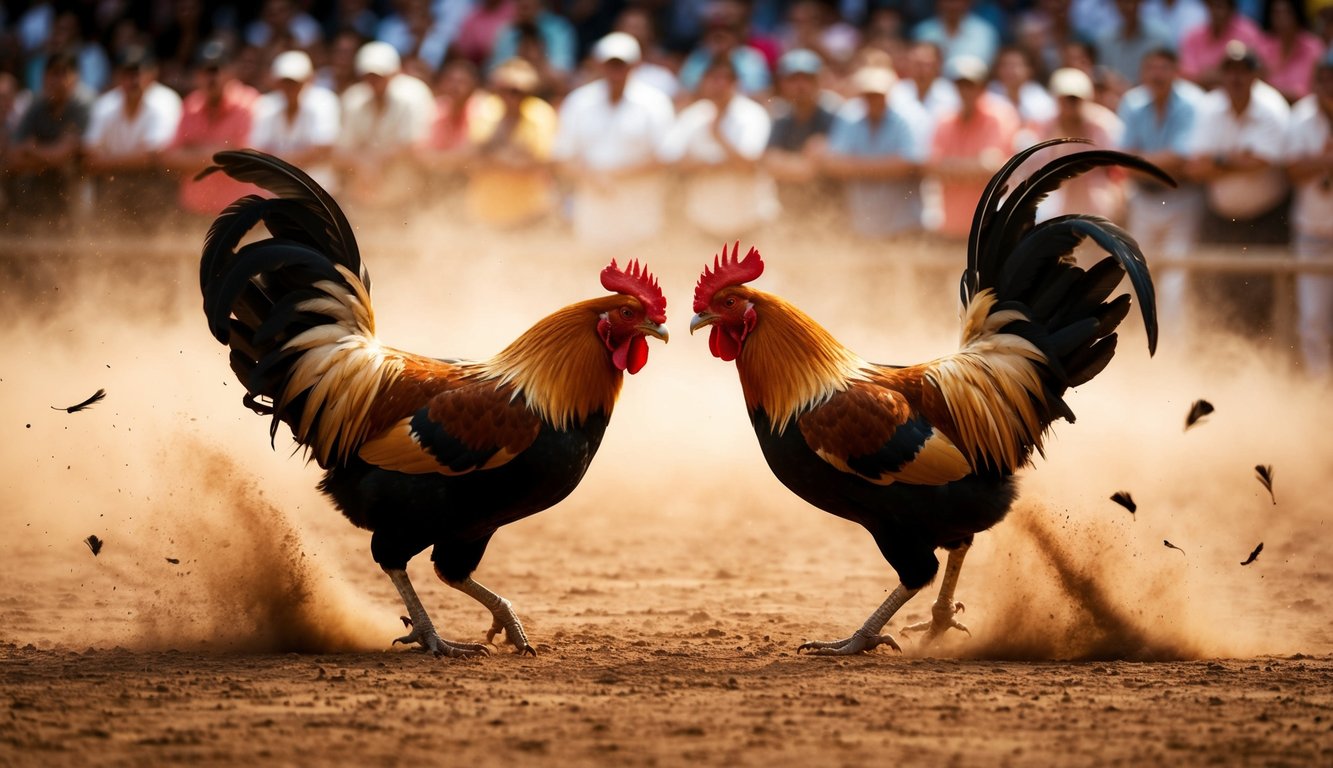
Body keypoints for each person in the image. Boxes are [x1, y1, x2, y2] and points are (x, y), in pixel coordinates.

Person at [1184, 42, 1291, 336]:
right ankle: (1216, 362)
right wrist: (1237, 159)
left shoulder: (1272, 107)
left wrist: (1218, 161)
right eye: (1230, 71)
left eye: (1243, 71)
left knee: (1261, 296)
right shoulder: (1209, 107)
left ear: (1255, 75)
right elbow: (1194, 167)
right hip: (1219, 217)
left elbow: (1264, 162)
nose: (1236, 78)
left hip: (1267, 219)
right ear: (1221, 75)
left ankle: (1265, 363)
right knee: (1214, 290)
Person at [551, 32, 674, 250]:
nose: (616, 72)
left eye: (621, 65)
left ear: (635, 65)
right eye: (611, 64)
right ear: (599, 65)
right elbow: (562, 156)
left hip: (640, 210)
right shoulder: (579, 102)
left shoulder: (655, 103)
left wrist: (614, 175)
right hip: (592, 213)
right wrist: (593, 177)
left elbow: (666, 156)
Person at [1116, 47, 1204, 341]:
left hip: (1182, 198)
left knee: (1175, 285)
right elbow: (1122, 158)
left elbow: (1183, 158)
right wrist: (1162, 162)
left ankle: (1173, 357)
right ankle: (1136, 351)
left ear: (1176, 71)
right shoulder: (1133, 102)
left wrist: (1141, 161)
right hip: (1143, 199)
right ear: (1143, 72)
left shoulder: (1192, 102)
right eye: (1151, 67)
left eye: (1164, 67)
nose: (1157, 74)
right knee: (1138, 278)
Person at [661, 55, 776, 240]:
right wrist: (715, 164)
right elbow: (671, 160)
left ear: (735, 83)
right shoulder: (693, 116)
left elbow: (749, 164)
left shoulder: (753, 115)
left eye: (724, 79)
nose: (718, 85)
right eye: (713, 79)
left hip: (750, 221)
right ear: (703, 82)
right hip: (703, 222)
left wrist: (718, 135)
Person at [160, 41, 261, 222]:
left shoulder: (249, 103)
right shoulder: (191, 105)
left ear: (231, 71)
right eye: (205, 71)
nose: (211, 77)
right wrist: (219, 151)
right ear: (197, 75)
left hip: (240, 215)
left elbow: (245, 157)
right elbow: (170, 157)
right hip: (194, 212)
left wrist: (193, 151)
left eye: (216, 70)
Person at [82, 44, 182, 228]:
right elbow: (89, 158)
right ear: (118, 76)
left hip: (153, 187)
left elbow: (154, 158)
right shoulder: (105, 106)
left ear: (152, 74)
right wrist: (132, 160)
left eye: (138, 73)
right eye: (128, 74)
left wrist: (108, 161)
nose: (133, 80)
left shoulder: (165, 101)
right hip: (113, 186)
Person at [823, 64, 927, 239]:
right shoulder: (850, 118)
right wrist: (882, 167)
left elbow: (909, 165)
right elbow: (834, 164)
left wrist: (856, 167)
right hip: (864, 224)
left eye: (878, 95)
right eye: (869, 95)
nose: (873, 100)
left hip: (903, 225)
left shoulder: (907, 118)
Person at [925, 55, 1021, 239]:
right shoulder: (945, 120)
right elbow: (932, 167)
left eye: (971, 85)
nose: (965, 91)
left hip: (990, 227)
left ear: (983, 86)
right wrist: (974, 167)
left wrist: (951, 168)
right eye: (960, 85)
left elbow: (992, 167)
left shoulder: (1000, 115)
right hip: (952, 225)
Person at [333, 40, 437, 210]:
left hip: (405, 182)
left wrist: (374, 162)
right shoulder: (353, 99)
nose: (373, 81)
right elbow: (342, 149)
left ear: (395, 73)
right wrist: (363, 165)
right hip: (364, 185)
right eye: (369, 75)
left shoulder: (414, 94)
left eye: (379, 75)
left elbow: (414, 145)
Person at [1283, 52, 1333, 377]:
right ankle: (1321, 394)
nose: (1329, 86)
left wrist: (1318, 162)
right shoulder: (1301, 115)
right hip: (1312, 231)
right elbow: (1292, 170)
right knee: (1312, 321)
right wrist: (1324, 162)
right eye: (1324, 78)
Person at [463, 58, 556, 228]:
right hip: (487, 208)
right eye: (504, 90)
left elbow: (540, 162)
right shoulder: (486, 110)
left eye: (517, 91)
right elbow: (473, 157)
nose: (510, 97)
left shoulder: (541, 114)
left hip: (530, 211)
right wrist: (513, 158)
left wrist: (495, 157)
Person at [1025, 67, 1126, 223]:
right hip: (1055, 209)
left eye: (1075, 99)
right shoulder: (1044, 126)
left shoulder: (1105, 125)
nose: (1070, 105)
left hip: (1097, 207)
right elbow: (1030, 170)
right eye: (1065, 99)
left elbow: (1119, 172)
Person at [9, 51, 93, 229]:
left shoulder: (83, 104)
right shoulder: (36, 105)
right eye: (52, 74)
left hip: (76, 183)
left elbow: (62, 156)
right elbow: (13, 156)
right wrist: (48, 156)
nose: (57, 81)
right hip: (40, 182)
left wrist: (32, 150)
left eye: (63, 73)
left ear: (76, 77)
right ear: (44, 77)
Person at [762, 48, 839, 221]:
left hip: (830, 213)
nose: (800, 86)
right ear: (782, 83)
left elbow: (830, 163)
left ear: (819, 81)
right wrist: (805, 164)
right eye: (793, 79)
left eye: (807, 79)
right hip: (789, 213)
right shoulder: (780, 117)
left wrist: (789, 164)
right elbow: (769, 162)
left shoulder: (835, 116)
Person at [249, 50, 340, 191]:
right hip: (276, 192)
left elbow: (324, 149)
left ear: (309, 80)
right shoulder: (266, 105)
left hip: (317, 191)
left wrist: (279, 162)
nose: (289, 87)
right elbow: (257, 150)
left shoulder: (324, 101)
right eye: (285, 82)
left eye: (295, 82)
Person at [1178, 0, 1265, 88]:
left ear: (1231, 9)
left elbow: (1259, 72)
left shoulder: (1248, 33)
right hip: (1199, 94)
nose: (1216, 12)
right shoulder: (1194, 35)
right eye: (1213, 6)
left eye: (1221, 7)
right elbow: (1186, 75)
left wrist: (1214, 76)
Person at [1256, 0, 1326, 103]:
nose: (1281, 18)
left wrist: (1277, 92)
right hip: (1270, 110)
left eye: (1287, 13)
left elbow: (1316, 91)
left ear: (1297, 14)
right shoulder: (1263, 46)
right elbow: (1257, 87)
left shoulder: (1314, 48)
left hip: (1305, 111)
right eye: (1276, 13)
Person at [1095, 0, 1175, 85]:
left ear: (1142, 2)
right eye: (1123, 2)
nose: (1129, 7)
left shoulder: (1161, 38)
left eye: (1133, 2)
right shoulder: (1104, 41)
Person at [912, 0, 1001, 68]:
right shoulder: (923, 32)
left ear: (967, 3)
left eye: (957, 1)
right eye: (948, 1)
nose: (952, 6)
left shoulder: (985, 33)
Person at [989, 45, 1057, 129]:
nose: (1010, 71)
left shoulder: (1040, 98)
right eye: (1005, 65)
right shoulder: (988, 95)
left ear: (1029, 70)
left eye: (1015, 65)